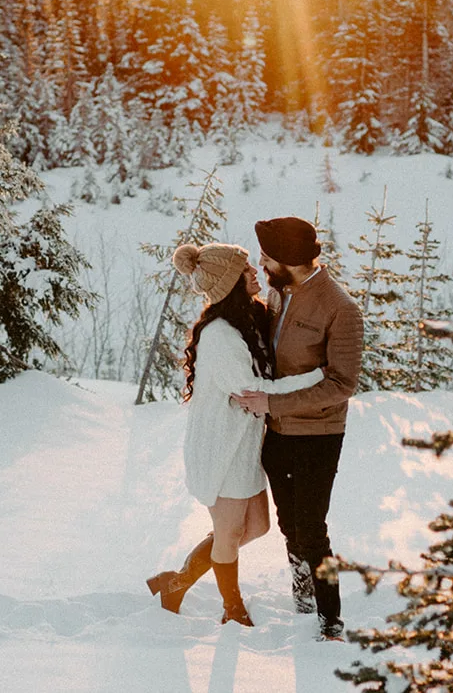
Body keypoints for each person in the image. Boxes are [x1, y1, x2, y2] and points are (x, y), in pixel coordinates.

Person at [145, 242, 325, 627]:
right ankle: (232, 609)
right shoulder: (221, 336)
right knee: (228, 533)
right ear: (230, 282)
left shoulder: (248, 319)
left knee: (256, 526)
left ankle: (175, 582)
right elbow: (250, 391)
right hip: (220, 446)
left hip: (242, 446)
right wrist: (318, 379)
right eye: (246, 270)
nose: (255, 273)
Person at [230, 216, 363, 641]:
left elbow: (343, 383)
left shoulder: (340, 309)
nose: (262, 262)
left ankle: (330, 619)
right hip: (277, 434)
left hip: (318, 437)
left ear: (288, 260)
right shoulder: (277, 292)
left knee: (312, 528)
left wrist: (275, 401)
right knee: (289, 523)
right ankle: (302, 597)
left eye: (268, 256)